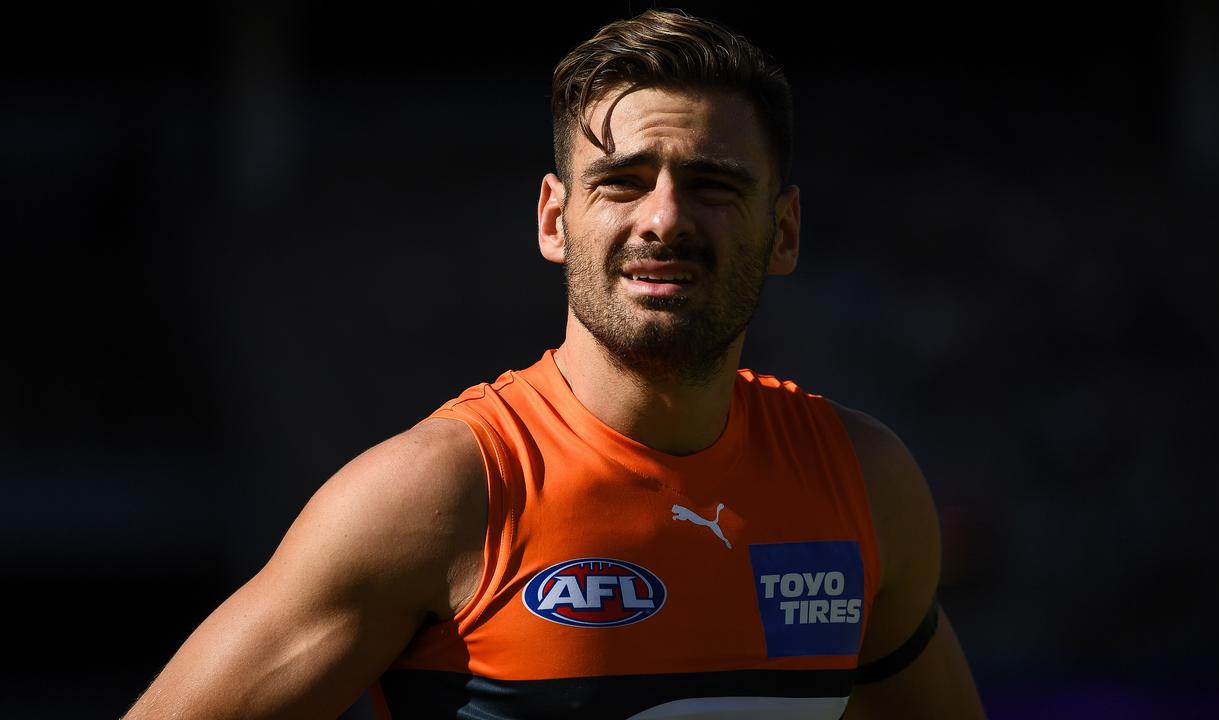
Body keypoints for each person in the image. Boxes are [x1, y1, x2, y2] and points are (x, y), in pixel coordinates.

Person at [126, 9, 985, 719]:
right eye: (622, 180)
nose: (664, 218)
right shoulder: (437, 495)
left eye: (715, 185)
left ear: (785, 230)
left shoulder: (864, 484)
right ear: (553, 219)